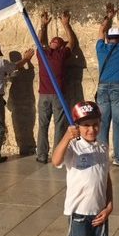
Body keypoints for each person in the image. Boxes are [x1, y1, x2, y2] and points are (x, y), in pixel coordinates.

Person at [52, 101, 113, 236]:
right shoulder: (73, 148)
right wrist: (65, 138)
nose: (91, 129)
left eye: (95, 124)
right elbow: (56, 160)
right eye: (86, 125)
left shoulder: (102, 148)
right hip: (78, 216)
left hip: (100, 215)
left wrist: (109, 205)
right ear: (77, 126)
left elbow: (106, 179)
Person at [36, 10, 78, 164]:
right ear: (61, 46)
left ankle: (41, 155)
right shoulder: (61, 55)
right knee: (59, 126)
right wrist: (66, 24)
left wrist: (44, 25)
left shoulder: (43, 54)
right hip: (57, 96)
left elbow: (40, 41)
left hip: (43, 95)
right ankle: (56, 155)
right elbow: (72, 42)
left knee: (43, 126)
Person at [95, 2, 119, 168]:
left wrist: (109, 16)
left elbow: (100, 31)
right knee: (118, 123)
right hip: (118, 87)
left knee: (103, 123)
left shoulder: (100, 48)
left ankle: (102, 158)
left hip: (102, 88)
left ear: (108, 38)